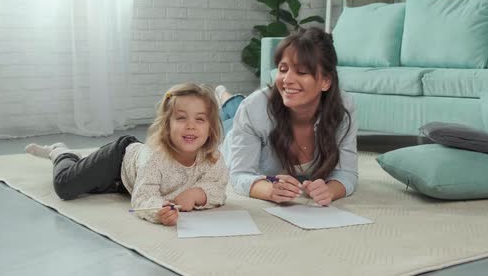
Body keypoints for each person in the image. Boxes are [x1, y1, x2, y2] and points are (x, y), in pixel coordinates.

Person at [25, 83, 228, 226]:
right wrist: (159, 211)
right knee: (65, 186)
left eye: (200, 120)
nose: (191, 126)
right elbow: (144, 196)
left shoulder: (212, 158)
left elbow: (219, 188)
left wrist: (198, 194)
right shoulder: (155, 157)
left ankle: (83, 159)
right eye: (182, 118)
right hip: (118, 161)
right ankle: (61, 153)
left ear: (211, 128)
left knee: (96, 189)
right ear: (167, 125)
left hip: (127, 184)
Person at [219, 27, 357, 206]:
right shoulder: (253, 108)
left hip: (255, 111)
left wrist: (329, 190)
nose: (287, 79)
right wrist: (269, 190)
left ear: (325, 81)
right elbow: (239, 175)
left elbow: (348, 173)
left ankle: (228, 97)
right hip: (236, 131)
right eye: (283, 69)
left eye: (301, 72)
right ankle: (224, 97)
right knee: (225, 119)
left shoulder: (343, 106)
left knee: (239, 106)